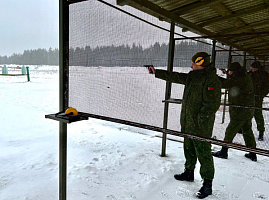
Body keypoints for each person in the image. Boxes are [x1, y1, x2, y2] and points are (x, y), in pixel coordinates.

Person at [148, 52, 221, 199]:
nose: (191, 66)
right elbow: (175, 76)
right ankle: (189, 172)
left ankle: (207, 184)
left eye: (194, 63)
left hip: (201, 126)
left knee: (203, 152)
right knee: (188, 147)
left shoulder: (211, 80)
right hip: (188, 122)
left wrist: (200, 122)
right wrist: (157, 72)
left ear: (202, 64)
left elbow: (211, 105)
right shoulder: (192, 76)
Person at [212, 62, 257, 161]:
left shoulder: (239, 78)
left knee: (230, 131)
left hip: (240, 110)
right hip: (247, 109)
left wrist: (213, 77)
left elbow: (226, 83)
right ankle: (253, 153)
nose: (229, 73)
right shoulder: (243, 76)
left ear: (234, 71)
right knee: (247, 130)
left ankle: (223, 152)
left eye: (230, 71)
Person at [248, 61, 269, 141]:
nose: (252, 69)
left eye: (253, 68)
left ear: (256, 68)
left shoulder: (264, 75)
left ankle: (261, 132)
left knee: (257, 114)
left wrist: (260, 95)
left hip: (256, 98)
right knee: (248, 113)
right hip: (250, 97)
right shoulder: (251, 74)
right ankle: (245, 128)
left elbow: (267, 87)